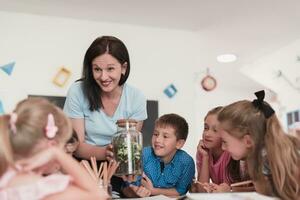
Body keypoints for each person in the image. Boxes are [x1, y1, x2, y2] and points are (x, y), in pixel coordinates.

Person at [0, 98, 107, 200]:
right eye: (63, 149)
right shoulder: (43, 188)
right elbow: (99, 195)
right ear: (52, 145)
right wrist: (56, 153)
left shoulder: (6, 179)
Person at [63, 36, 147, 161]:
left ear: (123, 68)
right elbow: (75, 145)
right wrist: (105, 152)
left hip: (120, 164)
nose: (103, 77)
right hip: (84, 163)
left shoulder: (136, 97)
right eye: (97, 69)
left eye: (110, 69)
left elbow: (130, 146)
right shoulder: (77, 91)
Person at [218, 90, 300, 200]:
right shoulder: (261, 158)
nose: (223, 147)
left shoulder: (269, 161)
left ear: (247, 141)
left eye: (225, 141)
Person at [122, 113, 195, 197]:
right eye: (156, 134)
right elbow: (129, 186)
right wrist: (135, 191)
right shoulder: (143, 155)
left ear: (179, 143)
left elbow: (180, 191)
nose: (157, 140)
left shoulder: (186, 163)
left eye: (165, 136)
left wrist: (153, 191)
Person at [191, 107, 250, 193]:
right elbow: (202, 192)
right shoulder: (203, 151)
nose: (207, 134)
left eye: (215, 130)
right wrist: (205, 157)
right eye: (206, 128)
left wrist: (229, 190)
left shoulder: (233, 152)